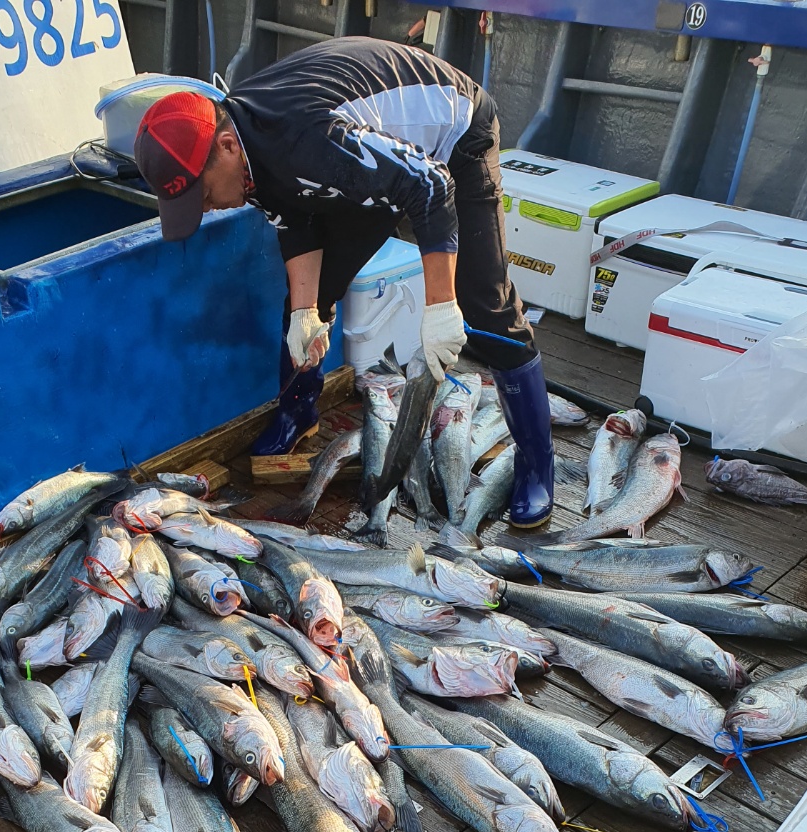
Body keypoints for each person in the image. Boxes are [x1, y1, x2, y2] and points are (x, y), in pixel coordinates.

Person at [134, 36, 554, 527]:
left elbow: (432, 184)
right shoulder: (245, 155)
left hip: (454, 133)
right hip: (374, 159)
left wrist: (441, 307)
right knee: (307, 299)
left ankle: (536, 467)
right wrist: (305, 314)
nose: (206, 208)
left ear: (226, 147)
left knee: (486, 306)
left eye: (202, 194)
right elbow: (296, 219)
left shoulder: (308, 139)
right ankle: (298, 411)